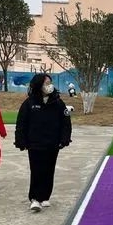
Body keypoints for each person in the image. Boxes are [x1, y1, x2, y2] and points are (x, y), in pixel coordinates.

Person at [14, 74, 72, 212]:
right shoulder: (29, 103)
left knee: (49, 170)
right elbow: (21, 123)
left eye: (50, 82)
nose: (49, 85)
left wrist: (64, 139)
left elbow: (66, 122)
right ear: (38, 85)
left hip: (52, 143)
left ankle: (45, 196)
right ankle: (35, 198)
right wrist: (21, 140)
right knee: (36, 170)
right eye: (46, 83)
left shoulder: (58, 102)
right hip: (35, 143)